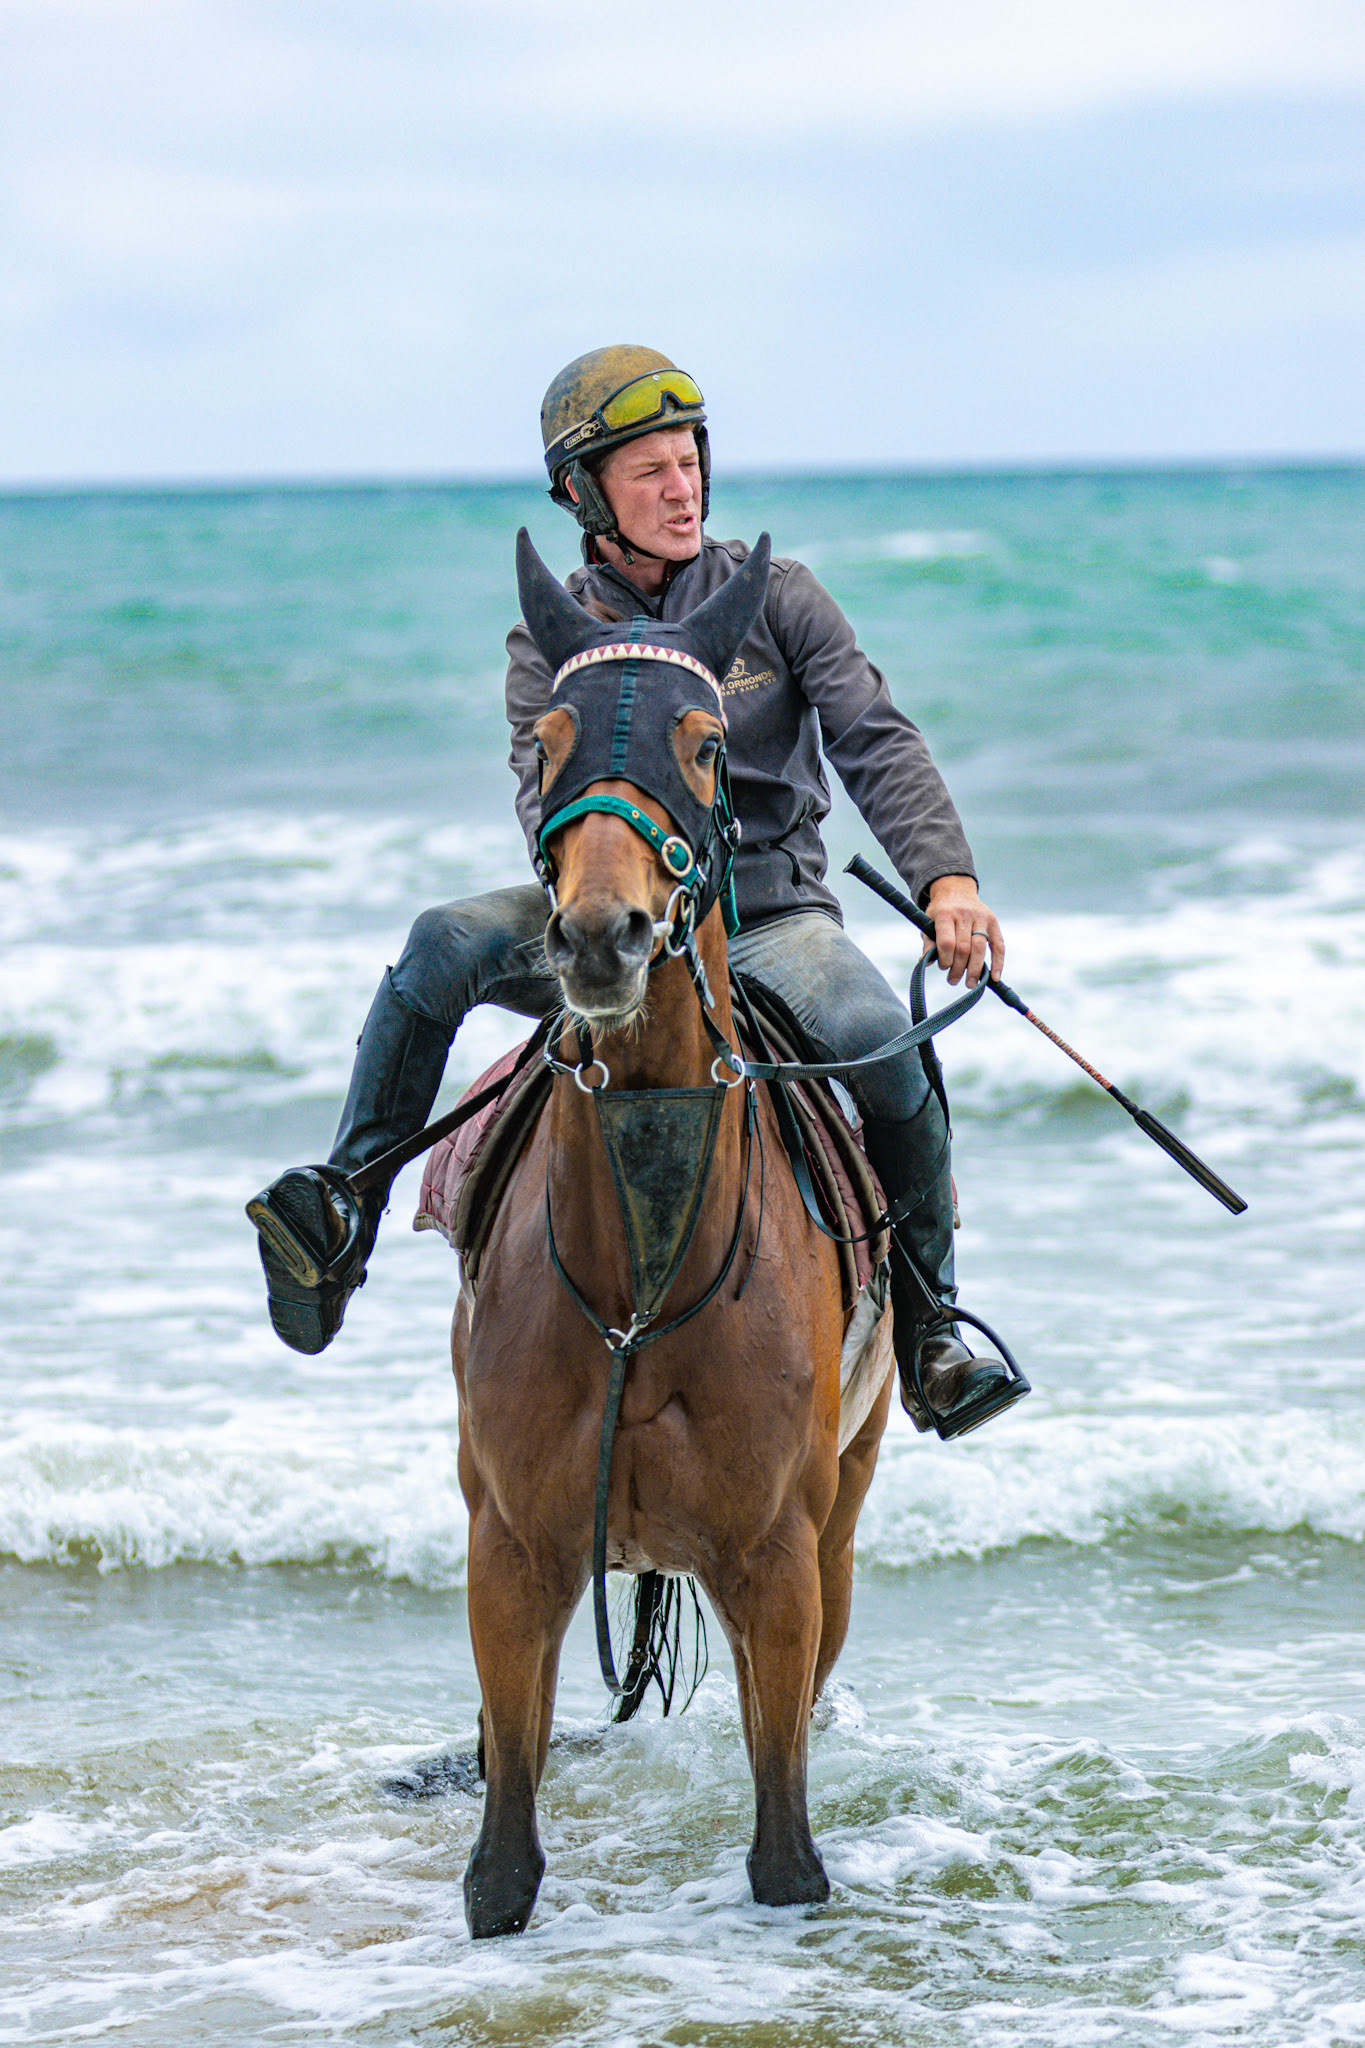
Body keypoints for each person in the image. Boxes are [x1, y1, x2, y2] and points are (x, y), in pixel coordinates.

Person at [248, 345, 1024, 1438]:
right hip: (610, 905)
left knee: (878, 1040)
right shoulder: (555, 639)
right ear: (584, 493)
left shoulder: (780, 599)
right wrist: (610, 903)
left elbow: (875, 739)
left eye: (689, 462)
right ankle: (340, 1214)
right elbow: (542, 798)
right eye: (649, 470)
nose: (681, 488)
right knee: (438, 942)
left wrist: (947, 879)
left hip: (769, 920)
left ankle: (931, 1328)